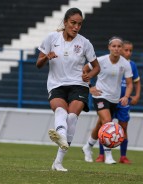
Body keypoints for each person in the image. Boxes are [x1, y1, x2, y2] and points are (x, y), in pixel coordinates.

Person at [36, 7, 100, 172]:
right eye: (73, 23)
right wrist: (46, 57)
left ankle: (58, 161)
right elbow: (38, 64)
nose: (76, 27)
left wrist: (89, 75)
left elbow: (96, 67)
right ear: (65, 22)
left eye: (79, 24)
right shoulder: (51, 38)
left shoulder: (84, 43)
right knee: (60, 111)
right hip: (56, 84)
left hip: (78, 84)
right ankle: (62, 141)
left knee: (71, 117)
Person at [82, 36, 133, 164]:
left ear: (121, 49)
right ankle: (108, 155)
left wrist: (126, 96)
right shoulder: (101, 60)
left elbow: (130, 83)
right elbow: (84, 69)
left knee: (100, 124)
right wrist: (90, 87)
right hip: (100, 95)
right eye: (114, 46)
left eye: (119, 46)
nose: (116, 49)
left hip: (114, 99)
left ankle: (88, 146)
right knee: (108, 122)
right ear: (109, 47)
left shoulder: (125, 64)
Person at [94, 40, 141, 164]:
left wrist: (136, 96)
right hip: (109, 98)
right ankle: (101, 155)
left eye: (130, 50)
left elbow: (136, 82)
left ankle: (123, 156)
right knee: (105, 126)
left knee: (123, 127)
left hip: (124, 101)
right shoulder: (109, 63)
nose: (128, 52)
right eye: (126, 49)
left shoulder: (131, 65)